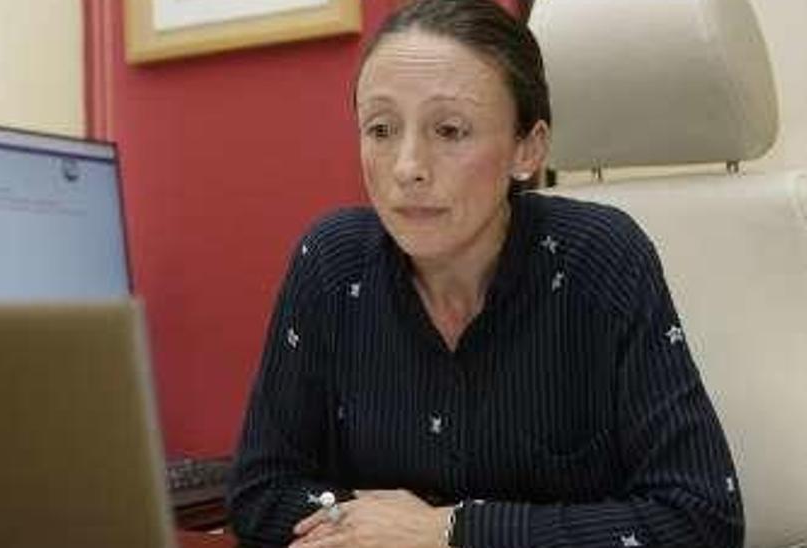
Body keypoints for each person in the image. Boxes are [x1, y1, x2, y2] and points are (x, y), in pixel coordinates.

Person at [225, 1, 744, 547]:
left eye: (449, 131)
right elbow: (260, 495)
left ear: (528, 148)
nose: (406, 167)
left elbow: (701, 521)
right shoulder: (332, 264)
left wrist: (450, 531)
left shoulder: (602, 256)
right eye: (380, 129)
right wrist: (372, 526)